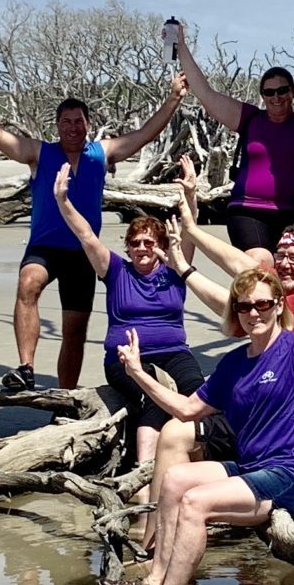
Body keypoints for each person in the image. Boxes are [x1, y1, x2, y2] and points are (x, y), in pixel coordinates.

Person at [99, 267, 294, 585]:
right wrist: (137, 373)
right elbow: (185, 410)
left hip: (292, 475)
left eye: (262, 305)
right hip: (252, 467)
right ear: (236, 312)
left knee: (196, 502)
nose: (254, 313)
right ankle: (154, 579)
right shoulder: (234, 363)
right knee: (176, 479)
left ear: (279, 305)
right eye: (244, 307)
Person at [0, 61, 185, 392]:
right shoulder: (40, 153)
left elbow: (145, 134)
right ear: (58, 126)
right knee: (28, 282)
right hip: (45, 247)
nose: (73, 128)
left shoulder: (100, 154)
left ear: (88, 125)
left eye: (79, 122)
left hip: (83, 252)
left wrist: (173, 98)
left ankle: (64, 397)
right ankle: (26, 368)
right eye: (67, 122)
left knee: (74, 330)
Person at [49, 162, 226, 475]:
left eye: (149, 242)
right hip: (125, 358)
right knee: (153, 398)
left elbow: (190, 229)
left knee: (199, 395)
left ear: (161, 245)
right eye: (135, 243)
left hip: (174, 354)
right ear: (127, 248)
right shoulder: (116, 271)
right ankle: (143, 473)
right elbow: (87, 236)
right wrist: (63, 201)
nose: (142, 248)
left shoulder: (174, 270)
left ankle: (202, 465)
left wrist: (190, 195)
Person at [178, 162, 294, 454]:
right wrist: (192, 230)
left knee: (188, 434)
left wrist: (185, 271)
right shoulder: (290, 289)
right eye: (280, 255)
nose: (284, 264)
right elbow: (240, 264)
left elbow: (235, 307)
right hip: (276, 410)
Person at [169, 20, 294, 256]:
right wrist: (179, 44)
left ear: (292, 92)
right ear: (262, 95)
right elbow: (205, 92)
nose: (276, 97)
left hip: (293, 211)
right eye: (269, 92)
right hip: (247, 210)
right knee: (261, 262)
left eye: (282, 90)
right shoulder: (249, 118)